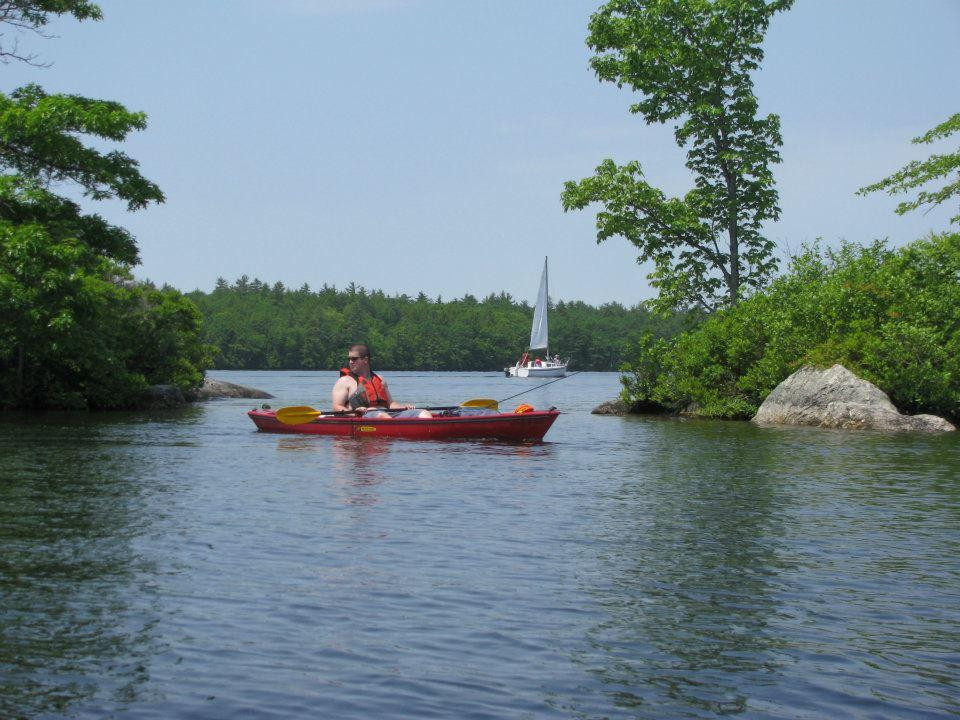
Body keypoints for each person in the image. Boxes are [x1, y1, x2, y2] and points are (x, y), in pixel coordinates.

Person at [332, 343, 430, 418]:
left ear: (365, 360)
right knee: (382, 416)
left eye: (354, 359)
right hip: (365, 416)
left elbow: (390, 404)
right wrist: (354, 413)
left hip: (386, 413)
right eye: (349, 359)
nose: (350, 362)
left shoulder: (380, 379)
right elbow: (337, 407)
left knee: (424, 413)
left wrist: (404, 407)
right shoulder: (345, 381)